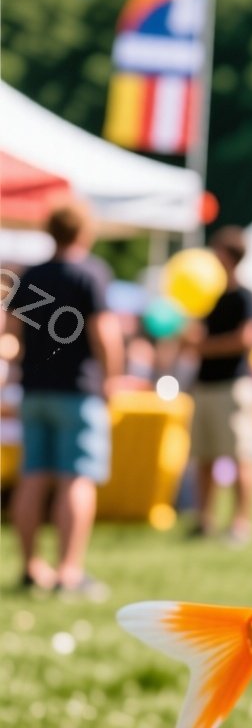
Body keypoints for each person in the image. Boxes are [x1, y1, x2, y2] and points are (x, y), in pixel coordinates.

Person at [7, 200, 122, 598]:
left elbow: (13, 336)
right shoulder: (90, 273)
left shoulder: (30, 276)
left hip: (35, 390)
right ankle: (69, 573)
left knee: (33, 477)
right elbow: (105, 335)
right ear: (84, 233)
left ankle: (31, 567)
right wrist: (111, 381)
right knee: (77, 479)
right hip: (78, 390)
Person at [185, 227, 252, 545]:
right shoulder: (209, 298)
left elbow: (248, 338)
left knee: (239, 456)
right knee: (204, 458)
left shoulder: (245, 297)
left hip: (233, 386)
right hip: (205, 385)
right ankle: (204, 520)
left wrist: (203, 347)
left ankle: (241, 523)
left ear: (229, 257)